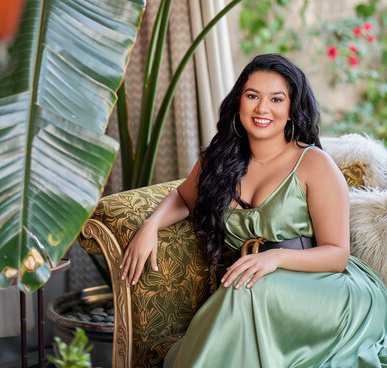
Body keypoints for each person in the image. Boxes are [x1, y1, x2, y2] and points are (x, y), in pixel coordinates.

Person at [120, 54, 387, 368]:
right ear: (238, 103)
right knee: (244, 291)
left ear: (291, 110)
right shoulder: (218, 161)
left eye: (276, 99)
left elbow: (337, 255)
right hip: (252, 284)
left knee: (247, 291)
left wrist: (275, 257)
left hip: (326, 289)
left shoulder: (315, 164)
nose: (262, 108)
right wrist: (151, 225)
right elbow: (182, 196)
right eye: (252, 96)